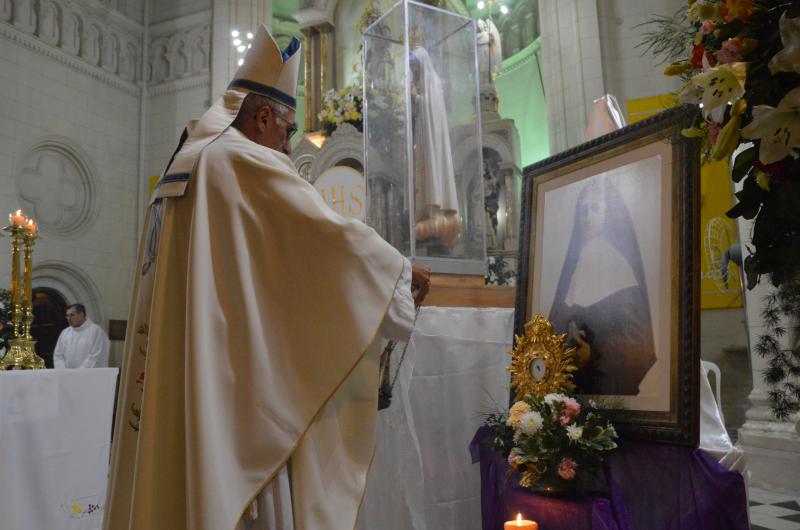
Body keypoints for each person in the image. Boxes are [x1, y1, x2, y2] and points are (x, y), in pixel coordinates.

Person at [103, 26, 431, 530]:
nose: (289, 142)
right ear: (261, 117)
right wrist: (400, 276)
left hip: (180, 373)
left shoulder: (187, 161)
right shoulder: (242, 159)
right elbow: (326, 239)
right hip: (236, 391)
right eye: (288, 128)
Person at [547, 175, 655, 396]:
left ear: (608, 213)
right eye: (583, 210)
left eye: (595, 208)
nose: (587, 217)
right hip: (574, 382)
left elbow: (634, 340)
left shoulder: (618, 263)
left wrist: (593, 353)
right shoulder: (575, 262)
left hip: (608, 383)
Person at [52, 303, 110, 369]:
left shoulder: (96, 331)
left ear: (81, 314)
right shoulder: (65, 333)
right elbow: (58, 355)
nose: (68, 318)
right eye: (67, 316)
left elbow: (96, 356)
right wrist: (63, 371)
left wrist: (79, 372)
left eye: (72, 315)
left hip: (88, 376)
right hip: (68, 375)